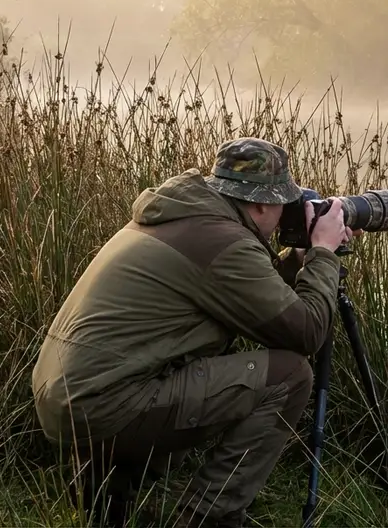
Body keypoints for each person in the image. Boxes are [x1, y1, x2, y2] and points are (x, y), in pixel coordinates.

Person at [30, 137, 357, 528]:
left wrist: (297, 260)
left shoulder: (185, 217)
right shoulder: (225, 242)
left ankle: (106, 505)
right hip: (104, 405)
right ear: (260, 204)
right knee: (289, 376)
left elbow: (252, 301)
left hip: (68, 399)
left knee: (184, 369)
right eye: (283, 203)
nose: (286, 213)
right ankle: (207, 518)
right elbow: (306, 333)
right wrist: (322, 254)